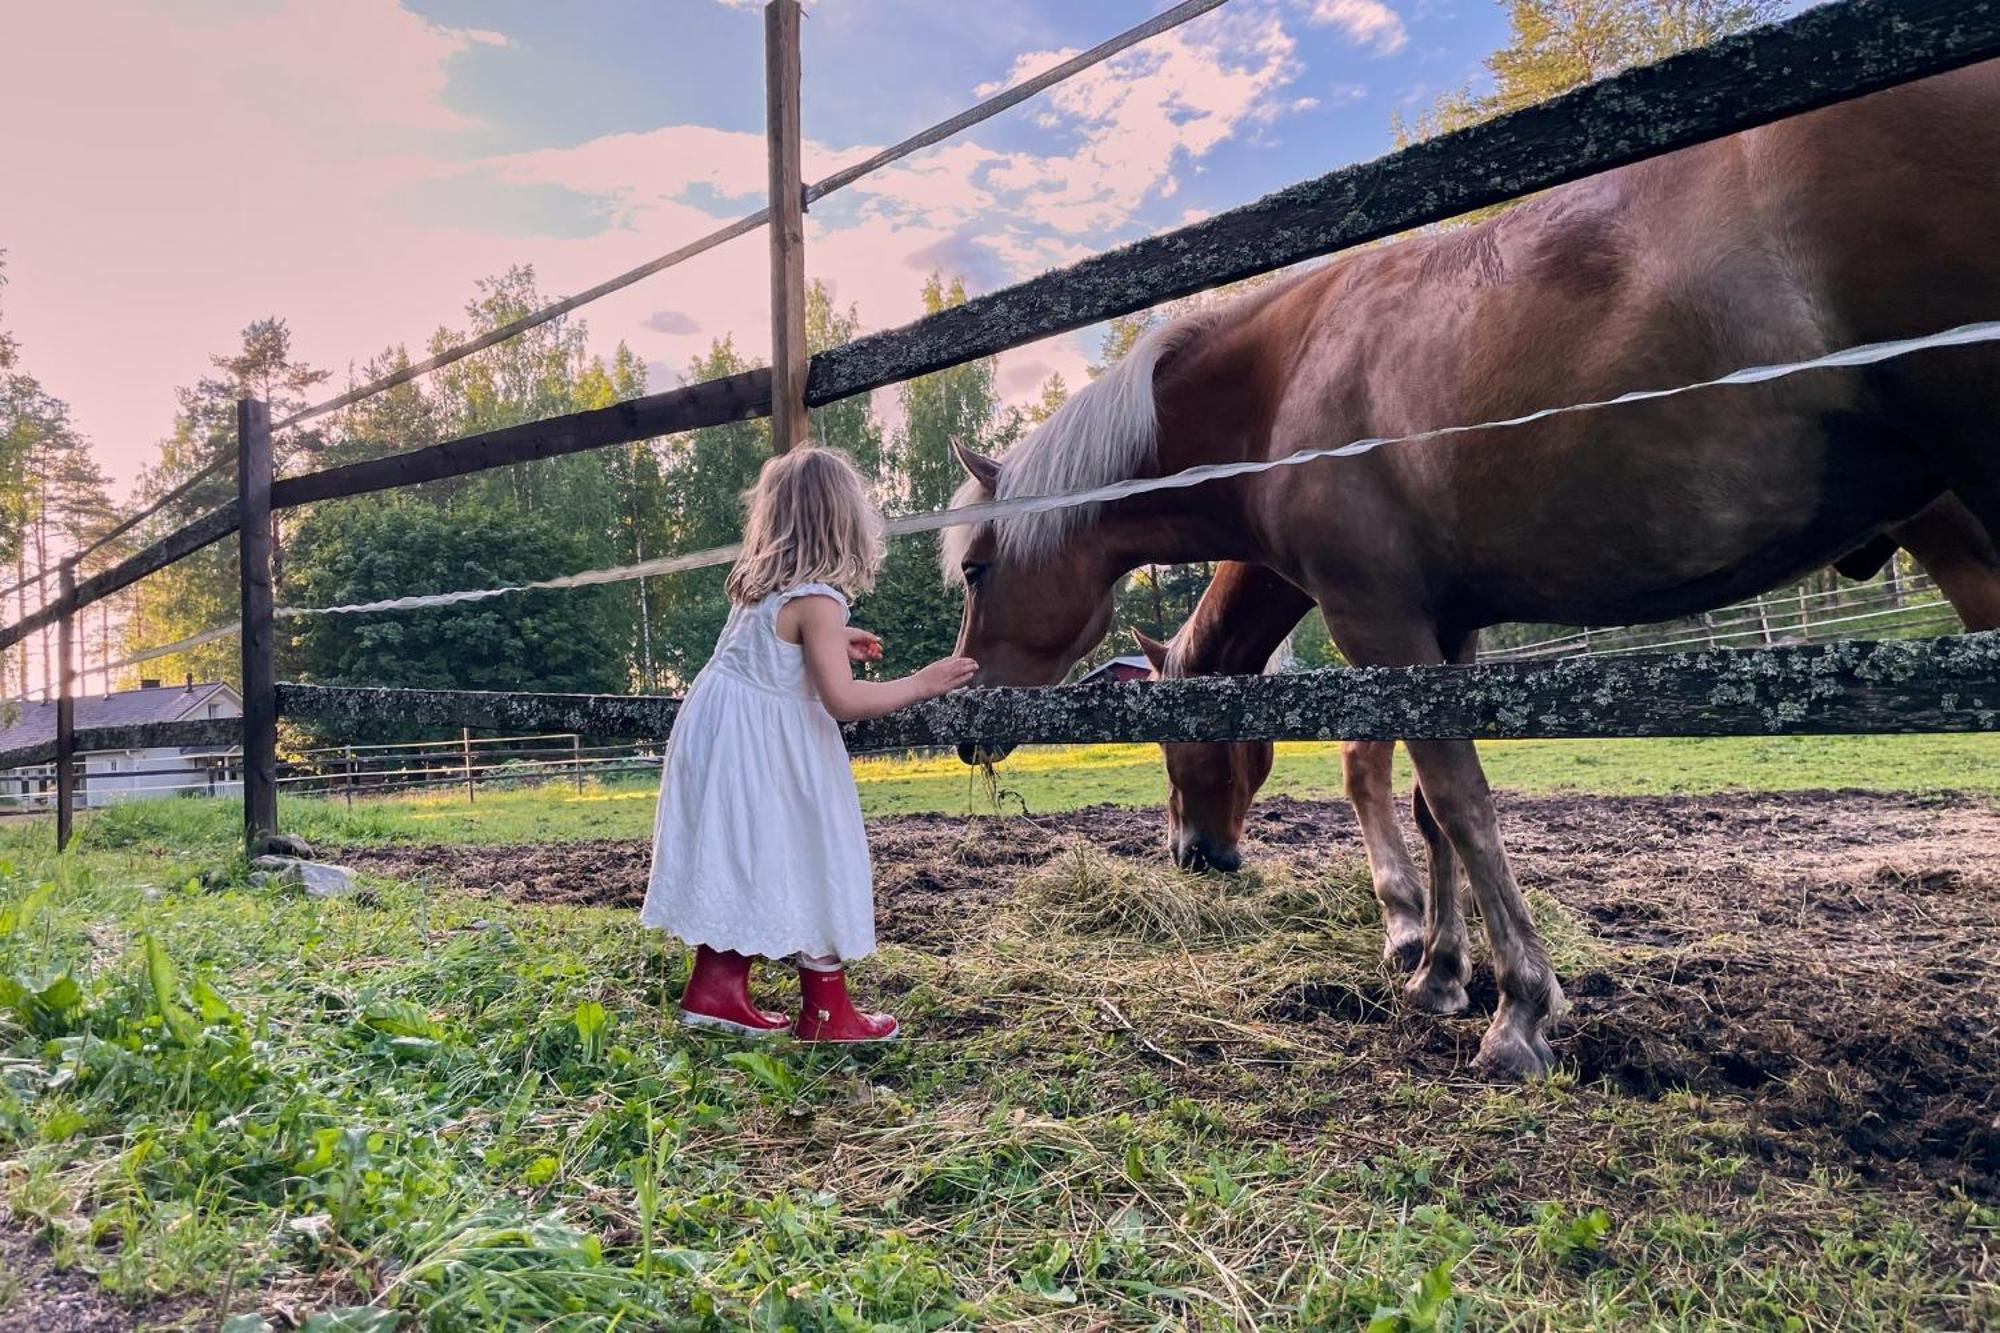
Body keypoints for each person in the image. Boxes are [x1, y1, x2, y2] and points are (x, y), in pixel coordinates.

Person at [642, 446, 977, 1042]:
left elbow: (774, 651)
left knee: (747, 853)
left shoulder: (756, 588)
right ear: (844, 520)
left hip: (722, 738)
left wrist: (833, 639)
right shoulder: (819, 600)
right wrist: (922, 683)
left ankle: (715, 991)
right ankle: (828, 1014)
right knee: (812, 850)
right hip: (769, 749)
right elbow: (843, 702)